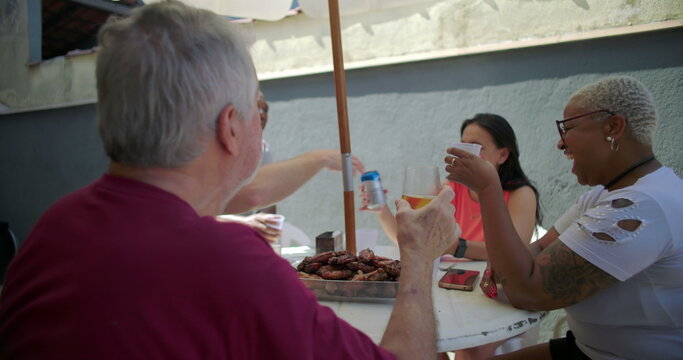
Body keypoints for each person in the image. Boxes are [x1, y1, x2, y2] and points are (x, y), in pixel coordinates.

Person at [0, 1, 460, 359]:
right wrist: (418, 258)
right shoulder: (227, 262)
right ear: (230, 127)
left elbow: (251, 192)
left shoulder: (52, 228)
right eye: (257, 106)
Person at [445, 76, 683, 360]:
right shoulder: (604, 195)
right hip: (587, 348)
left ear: (613, 127)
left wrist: (488, 189)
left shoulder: (641, 207)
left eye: (567, 128)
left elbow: (527, 291)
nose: (560, 144)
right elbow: (533, 252)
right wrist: (512, 269)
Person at [362, 114, 541, 359]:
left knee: (472, 348)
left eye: (476, 147)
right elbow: (411, 239)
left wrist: (456, 246)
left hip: (495, 294)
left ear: (503, 155)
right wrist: (381, 210)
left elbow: (515, 252)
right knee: (426, 344)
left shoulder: (520, 193)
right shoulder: (450, 188)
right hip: (452, 291)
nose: (464, 155)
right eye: (462, 146)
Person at [219, 91, 366, 243]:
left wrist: (267, 228)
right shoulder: (215, 148)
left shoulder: (263, 149)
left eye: (265, 109)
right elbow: (252, 193)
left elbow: (266, 199)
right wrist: (320, 158)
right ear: (231, 114)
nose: (262, 114)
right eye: (256, 107)